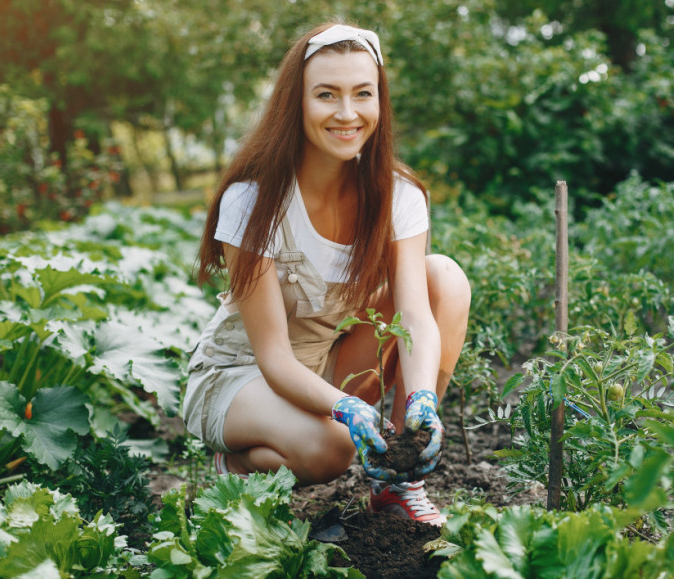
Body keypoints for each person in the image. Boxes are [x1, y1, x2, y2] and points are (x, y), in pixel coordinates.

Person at [181, 22, 471, 526]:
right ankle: (235, 464)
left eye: (363, 93)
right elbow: (272, 358)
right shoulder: (252, 201)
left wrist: (421, 400)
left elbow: (415, 317)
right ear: (297, 103)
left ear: (379, 100)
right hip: (240, 375)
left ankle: (399, 484)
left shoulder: (398, 195)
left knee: (442, 277)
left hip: (326, 364)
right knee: (332, 450)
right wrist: (348, 409)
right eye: (326, 95)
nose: (346, 113)